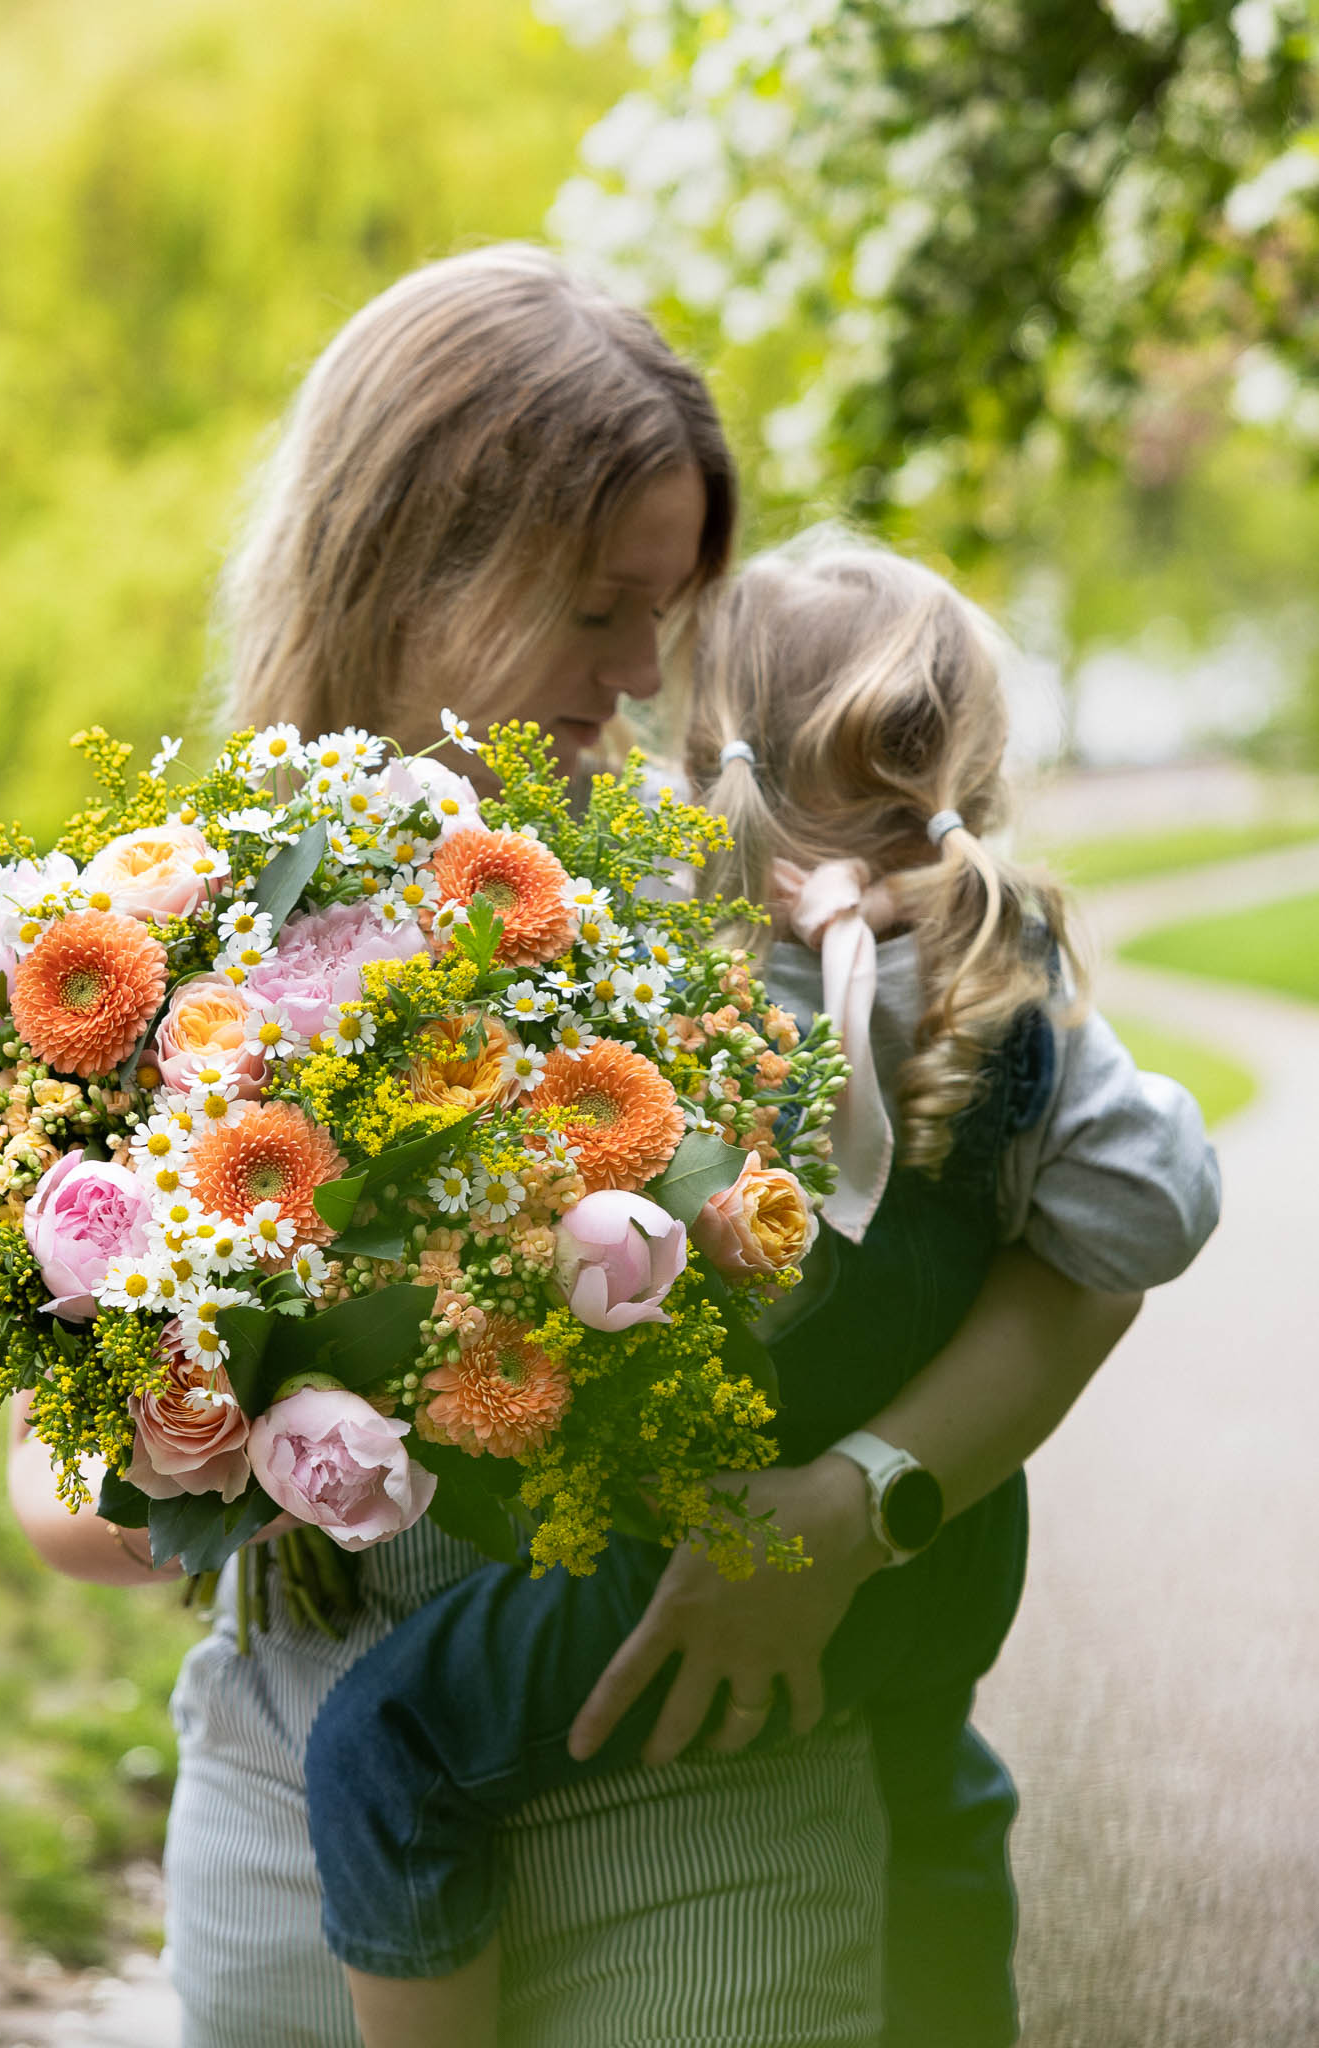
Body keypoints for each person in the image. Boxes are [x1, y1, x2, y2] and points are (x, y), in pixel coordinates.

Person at [3, 248, 1161, 2047]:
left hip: (697, 1786)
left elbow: (1081, 1227)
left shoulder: (732, 889)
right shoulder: (161, 931)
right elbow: (54, 1485)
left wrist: (851, 1513)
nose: (639, 676)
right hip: (291, 1802)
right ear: (408, 562)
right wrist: (187, 1452)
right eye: (596, 607)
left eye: (664, 610)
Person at [295, 536, 1222, 2048]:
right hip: (937, 1553)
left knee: (378, 1750)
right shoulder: (1002, 978)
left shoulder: (654, 970)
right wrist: (1037, 999)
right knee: (931, 1794)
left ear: (692, 752)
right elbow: (1146, 1213)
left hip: (699, 1554)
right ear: (967, 773)